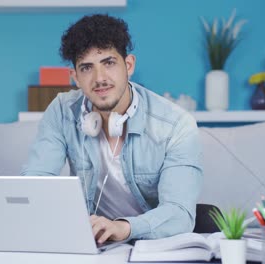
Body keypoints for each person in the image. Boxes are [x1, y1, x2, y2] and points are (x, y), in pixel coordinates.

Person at [21, 14, 203, 244]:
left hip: (150, 243)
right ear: (75, 77)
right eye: (87, 68)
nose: (99, 78)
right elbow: (37, 181)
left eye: (108, 63)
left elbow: (180, 214)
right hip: (92, 242)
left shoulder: (176, 124)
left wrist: (123, 228)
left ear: (129, 65)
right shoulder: (62, 111)